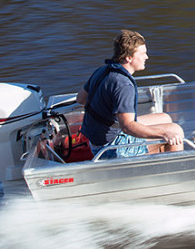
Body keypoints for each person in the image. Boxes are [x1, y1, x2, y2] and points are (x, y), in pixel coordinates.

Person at [77, 29, 184, 158]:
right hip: (110, 148)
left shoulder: (103, 70)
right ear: (129, 58)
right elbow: (128, 127)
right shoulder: (123, 85)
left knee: (165, 118)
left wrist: (106, 112)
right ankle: (172, 175)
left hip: (95, 140)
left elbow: (81, 99)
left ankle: (156, 156)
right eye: (143, 53)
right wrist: (163, 134)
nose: (147, 57)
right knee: (175, 131)